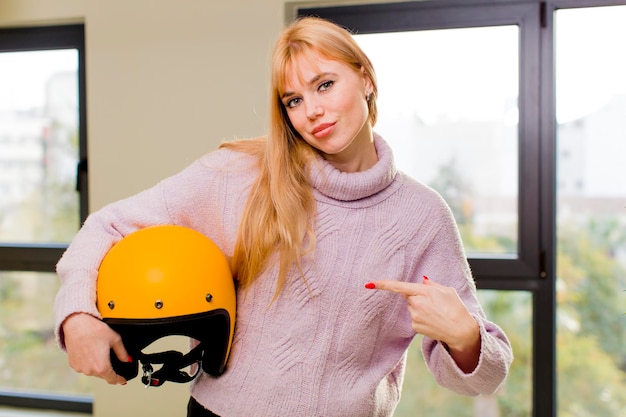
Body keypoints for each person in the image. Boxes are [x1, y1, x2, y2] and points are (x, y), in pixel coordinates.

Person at [54, 16, 513, 417]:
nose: (311, 111)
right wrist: (77, 317)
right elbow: (106, 226)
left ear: (366, 79)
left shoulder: (422, 215)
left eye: (325, 85)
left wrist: (467, 337)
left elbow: (479, 379)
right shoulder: (238, 175)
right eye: (293, 100)